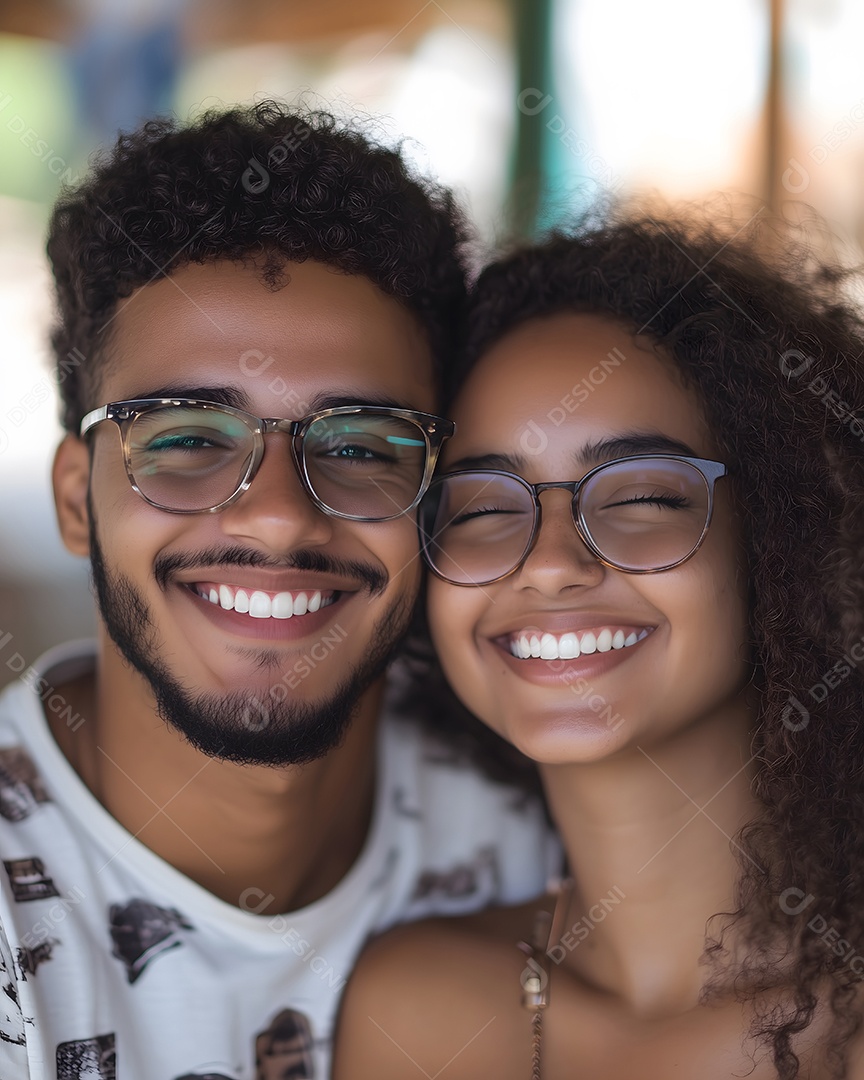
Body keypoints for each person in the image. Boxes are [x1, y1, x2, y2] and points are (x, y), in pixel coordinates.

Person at [0, 102, 558, 1079]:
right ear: (76, 501)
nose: (277, 517)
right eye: (183, 439)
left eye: (360, 446)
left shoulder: (541, 808)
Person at [332, 210, 864, 1079]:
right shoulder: (410, 1009)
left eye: (642, 497)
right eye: (483, 507)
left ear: (778, 539)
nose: (548, 565)